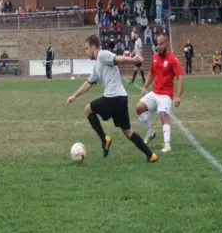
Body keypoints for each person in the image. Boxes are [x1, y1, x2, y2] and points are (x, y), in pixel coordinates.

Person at [66, 35, 158, 163]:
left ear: (93, 47)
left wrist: (133, 60)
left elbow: (117, 59)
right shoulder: (96, 66)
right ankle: (151, 155)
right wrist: (74, 96)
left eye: (87, 48)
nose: (86, 51)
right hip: (121, 98)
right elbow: (88, 83)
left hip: (112, 98)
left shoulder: (102, 54)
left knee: (88, 109)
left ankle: (105, 140)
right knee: (128, 132)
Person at [136, 34, 183, 153]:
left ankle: (167, 145)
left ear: (166, 43)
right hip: (154, 93)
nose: (159, 46)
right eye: (157, 44)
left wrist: (177, 97)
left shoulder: (172, 59)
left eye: (161, 43)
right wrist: (144, 87)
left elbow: (180, 78)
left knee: (163, 115)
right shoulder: (154, 57)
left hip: (165, 94)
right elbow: (151, 73)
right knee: (139, 108)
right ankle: (150, 132)